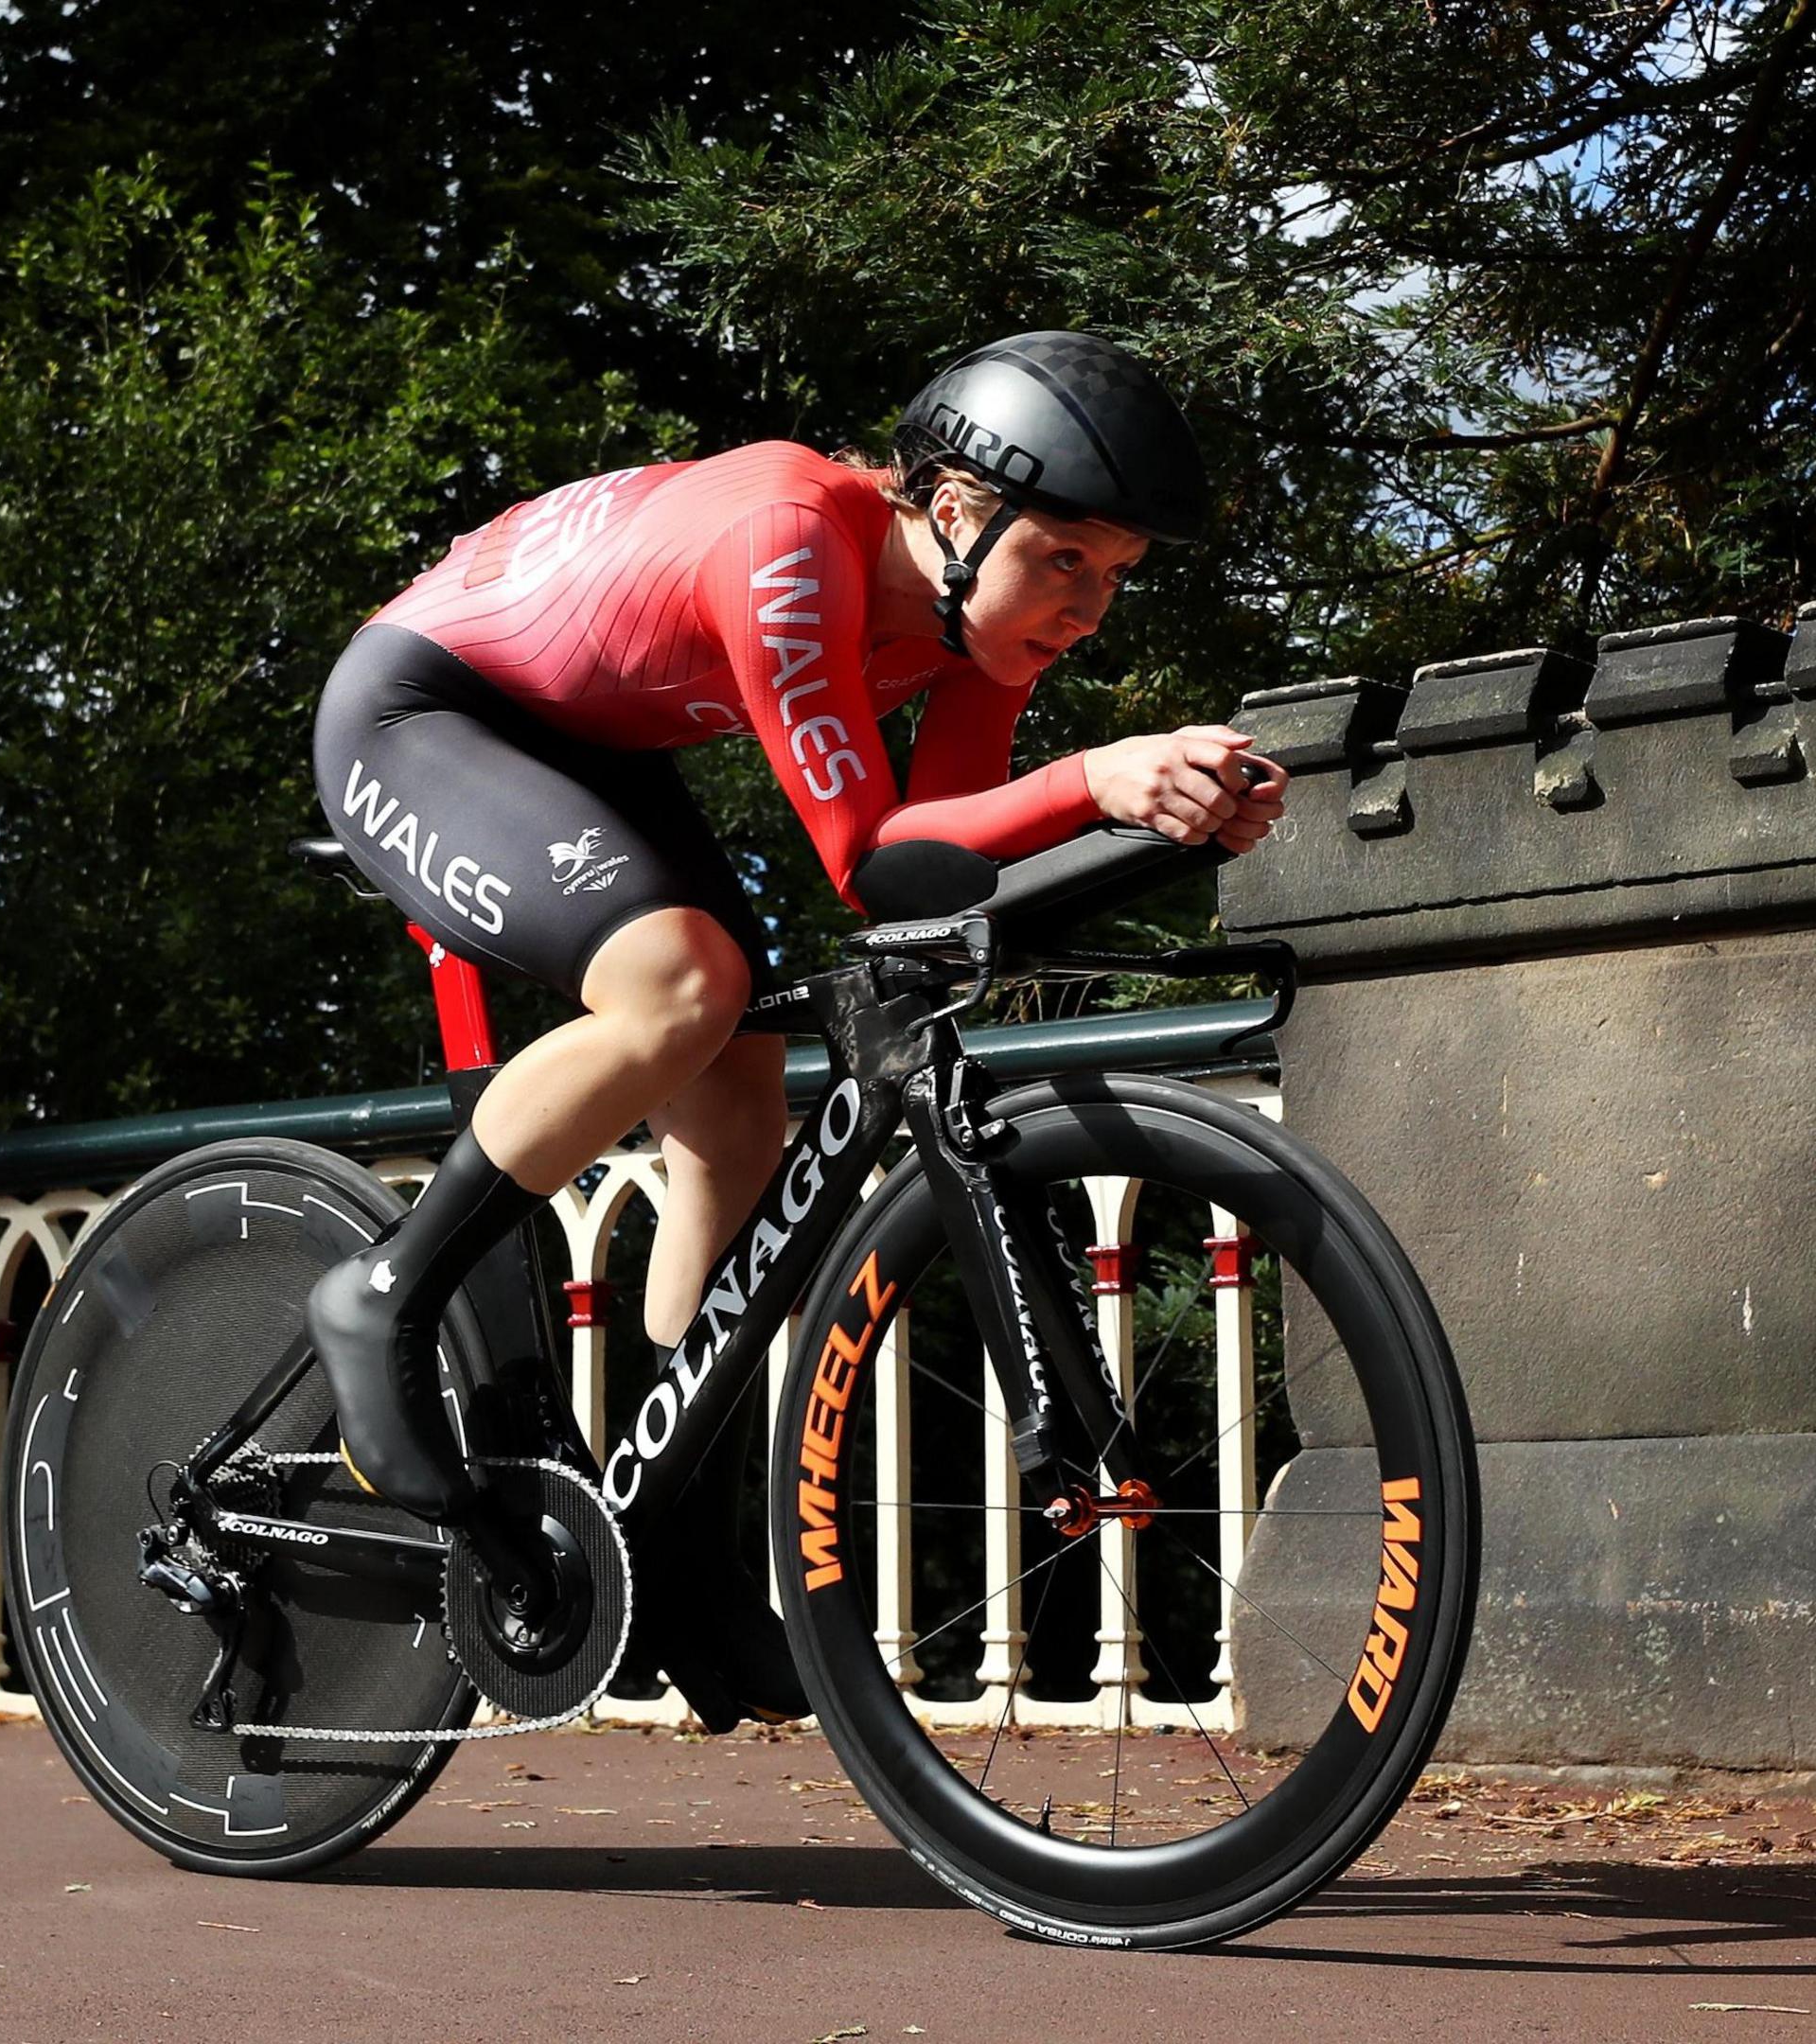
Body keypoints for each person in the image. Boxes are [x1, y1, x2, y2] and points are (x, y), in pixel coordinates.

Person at [299, 331, 1282, 1716]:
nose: (1088, 610)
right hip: (417, 710)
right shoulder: (787, 543)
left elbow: (949, 871)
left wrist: (1167, 822)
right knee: (683, 986)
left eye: (1114, 577)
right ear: (954, 509)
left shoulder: (980, 629)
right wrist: (1103, 777)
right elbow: (872, 857)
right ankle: (383, 1293)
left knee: (740, 1100)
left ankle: (676, 1549)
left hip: (586, 740)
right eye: (1064, 560)